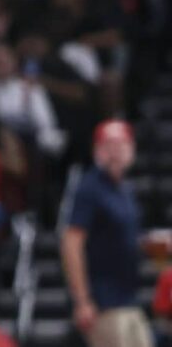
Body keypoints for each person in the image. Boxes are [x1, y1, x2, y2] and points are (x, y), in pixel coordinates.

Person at [63, 119, 153, 347]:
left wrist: (155, 247)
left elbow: (127, 240)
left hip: (129, 299)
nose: (115, 153)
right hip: (104, 303)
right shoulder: (90, 187)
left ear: (131, 150)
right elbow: (71, 243)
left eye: (121, 146)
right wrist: (82, 301)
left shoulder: (125, 189)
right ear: (97, 151)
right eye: (108, 147)